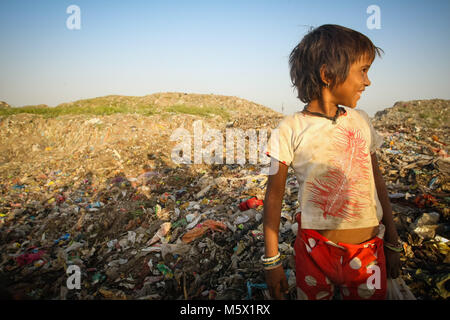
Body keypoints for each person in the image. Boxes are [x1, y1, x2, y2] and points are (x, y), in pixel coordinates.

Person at [263, 24, 401, 300]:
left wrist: (393, 242)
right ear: (327, 74)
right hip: (314, 253)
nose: (368, 81)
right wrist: (272, 261)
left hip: (368, 255)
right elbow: (273, 197)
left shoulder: (361, 121)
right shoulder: (289, 129)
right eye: (363, 71)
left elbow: (378, 182)